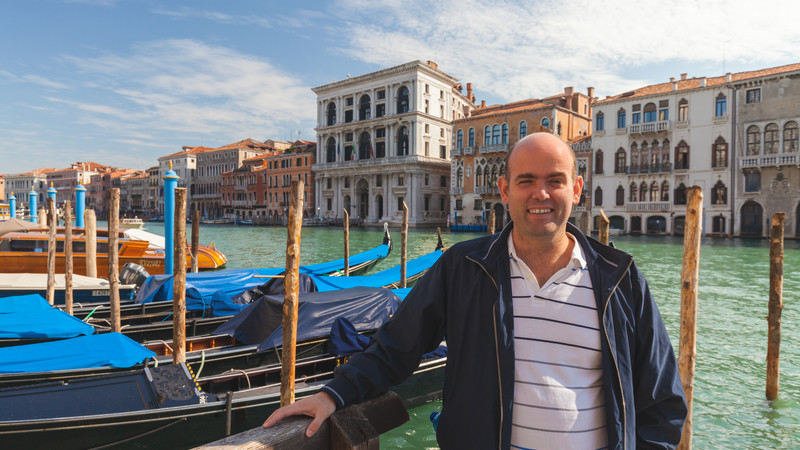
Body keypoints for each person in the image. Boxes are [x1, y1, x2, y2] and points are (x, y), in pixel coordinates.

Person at [264, 132, 687, 449]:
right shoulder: (463, 268)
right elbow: (396, 346)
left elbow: (663, 399)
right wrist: (332, 394)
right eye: (526, 181)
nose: (540, 193)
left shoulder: (620, 277)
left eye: (555, 180)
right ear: (504, 191)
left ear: (576, 189)